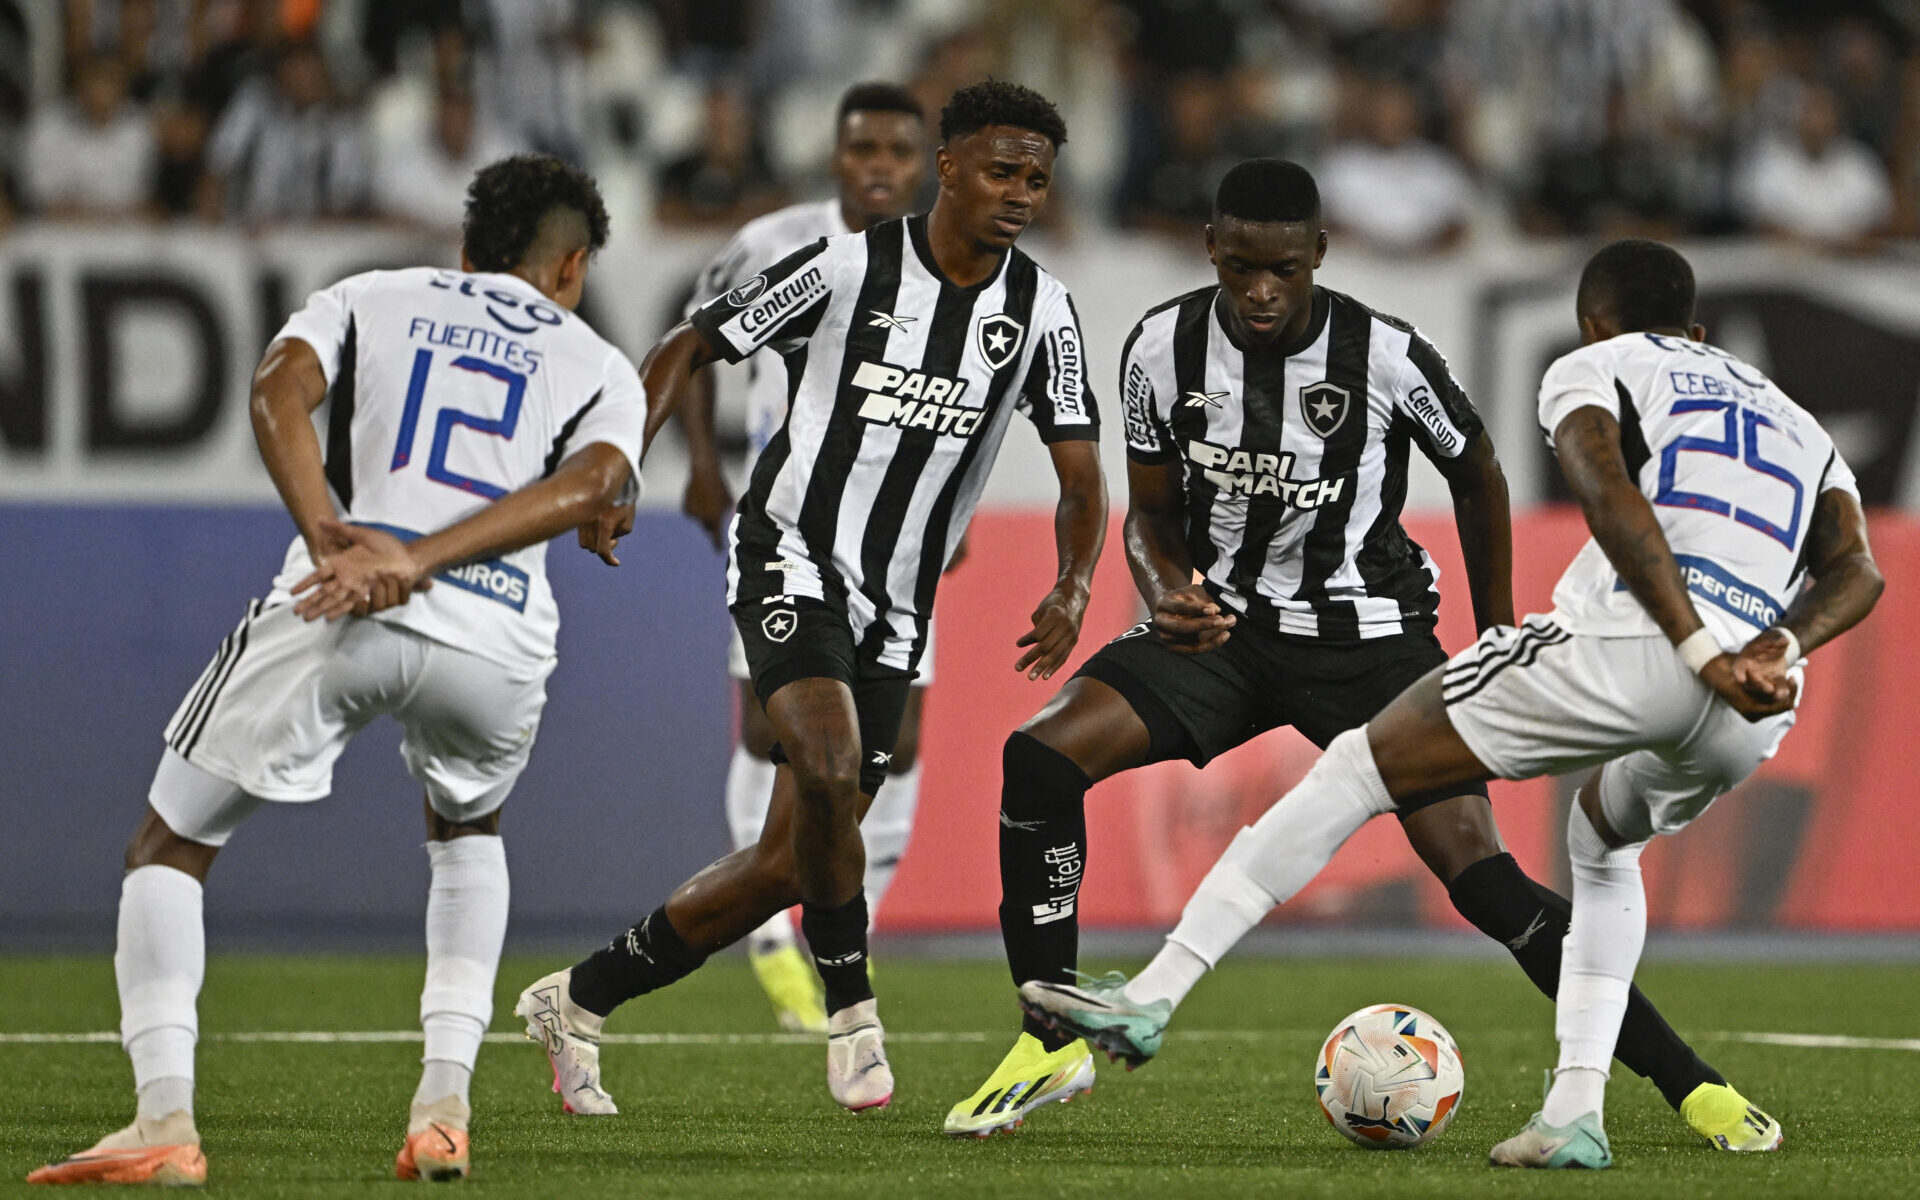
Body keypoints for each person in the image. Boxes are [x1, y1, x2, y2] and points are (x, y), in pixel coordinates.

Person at [946, 161, 1769, 1150]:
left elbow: (1478, 469)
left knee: (1483, 878)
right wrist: (1170, 593)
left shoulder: (1384, 356)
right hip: (1231, 632)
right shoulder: (1161, 348)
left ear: (1318, 257)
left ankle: (1692, 1086)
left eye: (1282, 270)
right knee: (1039, 758)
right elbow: (1151, 516)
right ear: (1212, 250)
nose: (1260, 290)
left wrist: (1499, 628)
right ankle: (1048, 1045)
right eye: (1242, 266)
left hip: (1370, 642)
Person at [26, 155, 642, 1186]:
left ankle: (164, 1120)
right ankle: (444, 1105)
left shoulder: (371, 295)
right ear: (571, 264)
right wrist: (432, 561)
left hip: (337, 605)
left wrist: (336, 541)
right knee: (468, 834)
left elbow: (278, 390)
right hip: (493, 640)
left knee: (169, 842)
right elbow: (597, 483)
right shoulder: (599, 363)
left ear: (466, 246)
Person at [515, 80, 1106, 1116]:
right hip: (789, 553)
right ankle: (853, 1015)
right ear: (951, 165)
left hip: (900, 604)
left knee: (792, 862)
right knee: (827, 764)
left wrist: (1074, 579)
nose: (1021, 192)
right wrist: (620, 468)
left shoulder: (1043, 312)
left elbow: (1081, 470)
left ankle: (578, 998)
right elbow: (689, 344)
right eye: (1004, 170)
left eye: (1039, 179)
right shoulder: (846, 266)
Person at [675, 81, 943, 1035]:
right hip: (786, 528)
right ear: (836, 156)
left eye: (898, 152)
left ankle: (829, 910)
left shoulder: (955, 263)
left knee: (896, 743)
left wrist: (943, 522)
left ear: (926, 164)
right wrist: (703, 467)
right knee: (767, 733)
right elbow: (695, 342)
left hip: (898, 541)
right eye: (863, 148)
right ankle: (773, 930)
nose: (880, 166)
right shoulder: (776, 243)